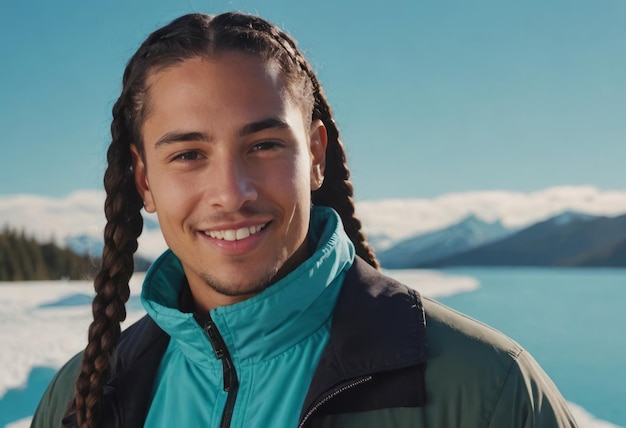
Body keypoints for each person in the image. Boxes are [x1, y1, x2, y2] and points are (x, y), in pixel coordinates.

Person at [32, 11, 577, 428]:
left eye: (264, 144)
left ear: (315, 155)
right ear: (144, 178)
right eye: (188, 154)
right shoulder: (79, 398)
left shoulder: (486, 390)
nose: (231, 192)